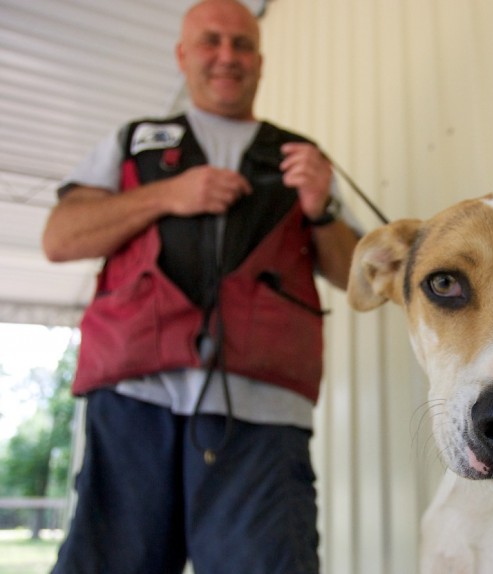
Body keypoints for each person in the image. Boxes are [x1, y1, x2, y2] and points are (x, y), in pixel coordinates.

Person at [42, 1, 360, 572]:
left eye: (241, 44)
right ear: (182, 56)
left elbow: (361, 275)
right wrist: (168, 194)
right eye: (210, 42)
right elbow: (60, 237)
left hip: (263, 413)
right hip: (134, 398)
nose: (226, 57)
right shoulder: (132, 141)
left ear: (260, 61)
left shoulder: (302, 157)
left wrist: (322, 207)